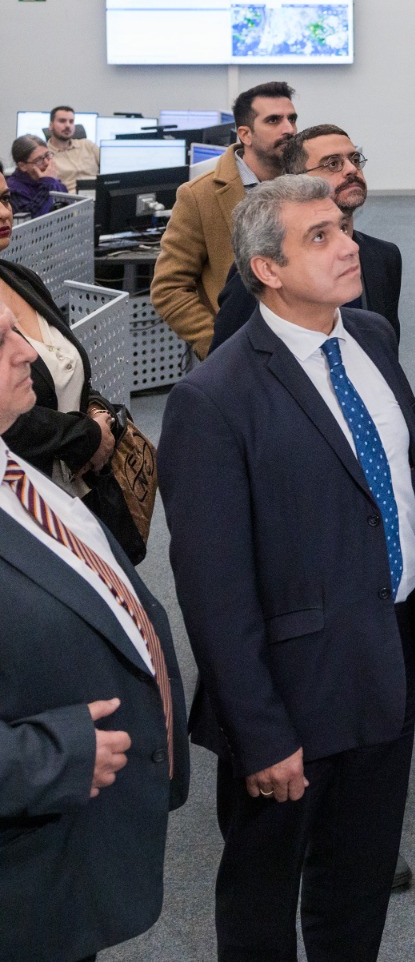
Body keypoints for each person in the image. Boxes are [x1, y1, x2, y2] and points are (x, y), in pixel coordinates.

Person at [159, 174, 415, 962]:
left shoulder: (370, 336)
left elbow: (403, 490)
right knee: (263, 899)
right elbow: (214, 593)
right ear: (267, 269)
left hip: (386, 658)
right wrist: (262, 734)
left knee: (358, 885)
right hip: (290, 692)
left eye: (342, 227)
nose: (347, 246)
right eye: (320, 237)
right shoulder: (213, 399)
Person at [0, 214, 189, 962]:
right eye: (3, 341)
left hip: (69, 862)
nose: (28, 351)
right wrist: (56, 754)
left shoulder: (16, 470)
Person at [0, 173, 141, 561]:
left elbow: (69, 367)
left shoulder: (20, 278)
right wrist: (87, 437)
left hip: (78, 489)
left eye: (6, 199)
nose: (4, 212)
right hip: (25, 501)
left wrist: (97, 413)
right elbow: (8, 418)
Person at [210, 124, 402, 350]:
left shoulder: (383, 256)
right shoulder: (270, 266)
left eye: (355, 159)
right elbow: (229, 356)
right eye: (333, 164)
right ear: (296, 180)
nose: (351, 169)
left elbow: (386, 351)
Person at [152, 80, 298, 359]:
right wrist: (219, 346)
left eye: (291, 118)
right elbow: (168, 288)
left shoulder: (306, 186)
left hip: (304, 340)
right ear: (245, 134)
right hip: (243, 350)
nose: (289, 129)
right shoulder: (200, 195)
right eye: (274, 120)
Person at [9, 135, 68, 217]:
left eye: (47, 155)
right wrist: (47, 183)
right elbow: (30, 220)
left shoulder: (51, 179)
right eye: (39, 160)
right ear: (22, 166)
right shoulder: (13, 189)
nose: (47, 163)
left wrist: (52, 182)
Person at [45, 106, 100, 192]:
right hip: (69, 197)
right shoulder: (45, 154)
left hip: (98, 193)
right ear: (51, 125)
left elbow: (109, 168)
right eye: (62, 121)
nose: (68, 125)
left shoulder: (88, 145)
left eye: (71, 122)